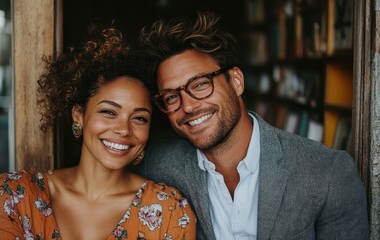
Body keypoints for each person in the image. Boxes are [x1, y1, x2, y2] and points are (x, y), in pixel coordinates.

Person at [136, 11, 369, 240]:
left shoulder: (328, 172)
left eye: (199, 85)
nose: (187, 106)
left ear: (236, 81)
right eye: (171, 97)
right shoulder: (156, 166)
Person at [0, 24, 196, 240]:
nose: (123, 129)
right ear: (79, 114)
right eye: (109, 112)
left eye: (139, 118)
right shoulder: (14, 195)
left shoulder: (169, 211)